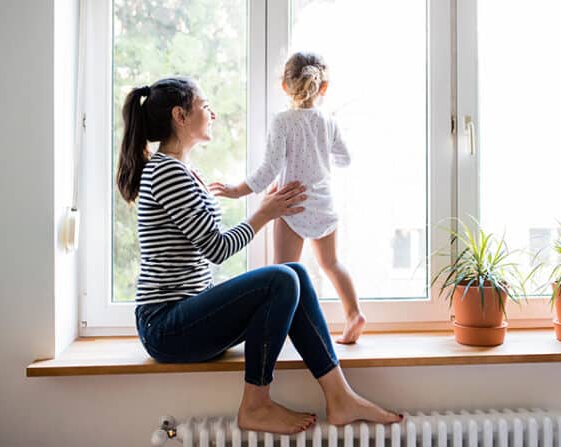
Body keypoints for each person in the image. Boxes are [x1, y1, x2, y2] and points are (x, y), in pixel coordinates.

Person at [116, 76, 401, 434]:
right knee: (281, 278)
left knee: (294, 272)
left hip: (185, 315)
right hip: (165, 326)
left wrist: (265, 207)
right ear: (180, 116)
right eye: (205, 106)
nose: (213, 113)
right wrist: (265, 212)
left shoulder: (181, 170)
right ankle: (256, 404)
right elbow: (217, 248)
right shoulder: (167, 172)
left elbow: (206, 239)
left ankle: (339, 396)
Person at [210, 52, 366, 344]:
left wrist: (236, 190)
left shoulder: (282, 122)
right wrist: (320, 153)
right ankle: (354, 314)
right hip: (323, 204)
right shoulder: (328, 121)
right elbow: (345, 158)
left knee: (283, 273)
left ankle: (282, 332)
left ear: (284, 86)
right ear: (324, 88)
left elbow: (269, 169)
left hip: (291, 205)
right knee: (331, 264)